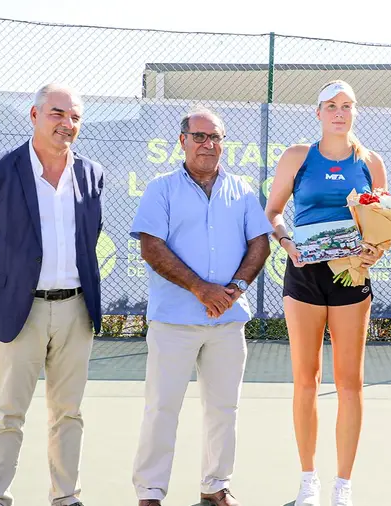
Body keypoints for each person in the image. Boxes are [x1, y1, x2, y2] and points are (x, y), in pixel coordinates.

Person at [0, 83, 104, 506]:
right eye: (58, 113)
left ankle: (66, 497)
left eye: (75, 117)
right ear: (34, 115)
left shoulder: (91, 174)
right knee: (8, 414)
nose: (67, 124)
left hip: (76, 310)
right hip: (20, 311)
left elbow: (88, 238)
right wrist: (13, 279)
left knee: (69, 413)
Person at [130, 108, 273, 506]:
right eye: (199, 137)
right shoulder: (161, 189)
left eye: (215, 137)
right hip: (174, 321)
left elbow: (260, 242)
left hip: (227, 323)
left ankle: (216, 486)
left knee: (223, 408)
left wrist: (235, 287)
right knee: (162, 409)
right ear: (183, 141)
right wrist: (201, 289)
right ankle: (150, 492)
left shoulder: (242, 189)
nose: (208, 144)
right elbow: (151, 246)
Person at [264, 80, 387, 506]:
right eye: (331, 106)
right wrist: (287, 243)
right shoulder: (298, 157)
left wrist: (375, 249)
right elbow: (273, 212)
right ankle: (308, 481)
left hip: (352, 279)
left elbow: (382, 222)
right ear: (318, 113)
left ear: (355, 112)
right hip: (304, 276)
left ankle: (343, 486)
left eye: (347, 106)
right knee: (306, 380)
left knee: (350, 383)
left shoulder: (370, 161)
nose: (339, 112)